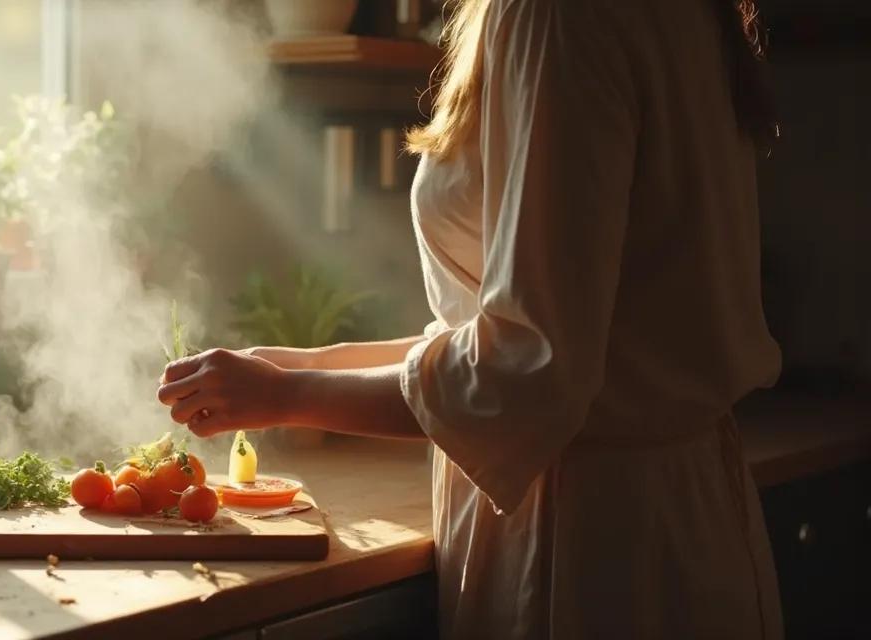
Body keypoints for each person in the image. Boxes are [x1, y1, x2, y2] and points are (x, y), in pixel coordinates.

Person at [157, 0, 782, 637]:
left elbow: (527, 374)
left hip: (590, 548)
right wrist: (305, 366)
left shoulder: (556, 17)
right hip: (678, 524)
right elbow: (541, 335)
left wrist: (288, 392)